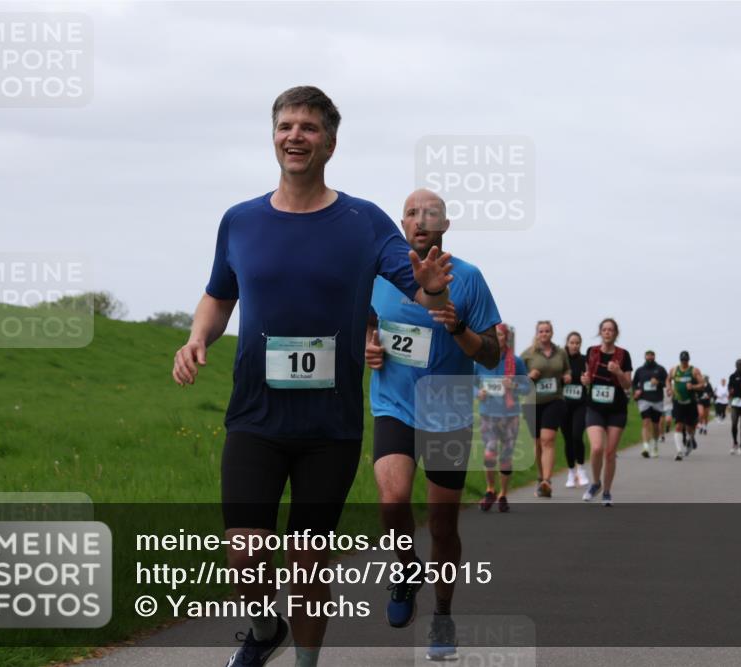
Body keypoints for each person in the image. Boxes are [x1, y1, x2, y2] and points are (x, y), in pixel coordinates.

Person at [171, 87, 454, 667]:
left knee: (307, 564)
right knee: (244, 555)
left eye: (308, 127)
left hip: (330, 426)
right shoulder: (240, 220)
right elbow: (219, 294)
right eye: (285, 126)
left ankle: (305, 662)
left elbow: (423, 292)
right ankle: (262, 627)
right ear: (274, 136)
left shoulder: (364, 221)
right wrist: (198, 335)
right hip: (255, 415)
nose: (294, 136)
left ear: (330, 141)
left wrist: (430, 283)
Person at [365, 189, 501, 660]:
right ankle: (405, 570)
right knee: (392, 498)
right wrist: (368, 342)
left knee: (443, 527)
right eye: (411, 212)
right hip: (394, 404)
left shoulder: (468, 278)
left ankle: (442, 616)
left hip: (448, 411)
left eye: (432, 214)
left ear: (445, 226)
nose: (421, 219)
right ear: (401, 224)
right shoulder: (379, 272)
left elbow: (492, 351)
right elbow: (357, 316)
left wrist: (458, 328)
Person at [475, 323, 530, 512]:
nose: (496, 337)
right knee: (490, 453)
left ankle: (503, 494)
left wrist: (513, 386)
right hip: (488, 414)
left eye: (499, 334)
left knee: (506, 457)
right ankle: (490, 489)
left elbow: (527, 387)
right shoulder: (480, 361)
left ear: (505, 338)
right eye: (493, 334)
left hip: (510, 415)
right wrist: (478, 392)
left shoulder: (516, 362)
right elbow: (470, 383)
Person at [579, 318, 633, 506]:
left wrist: (618, 372)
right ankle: (595, 483)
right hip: (595, 406)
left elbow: (627, 384)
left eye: (611, 330)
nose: (608, 332)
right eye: (604, 329)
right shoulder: (592, 352)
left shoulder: (623, 355)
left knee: (610, 452)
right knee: (596, 448)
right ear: (600, 332)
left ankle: (607, 491)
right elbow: (587, 378)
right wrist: (585, 380)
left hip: (617, 409)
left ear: (616, 333)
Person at [521, 321, 572, 498]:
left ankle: (547, 481)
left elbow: (567, 370)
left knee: (548, 439)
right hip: (532, 403)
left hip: (554, 400)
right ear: (537, 333)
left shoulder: (561, 353)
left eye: (547, 331)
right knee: (537, 443)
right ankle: (540, 477)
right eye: (541, 331)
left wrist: (567, 376)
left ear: (552, 333)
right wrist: (529, 376)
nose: (544, 333)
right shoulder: (528, 354)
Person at [562, 331, 591, 487]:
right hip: (563, 404)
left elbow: (590, 379)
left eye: (577, 343)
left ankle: (581, 468)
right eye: (572, 342)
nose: (574, 345)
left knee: (577, 435)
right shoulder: (561, 359)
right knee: (567, 439)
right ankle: (571, 472)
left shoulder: (584, 360)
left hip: (580, 403)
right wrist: (562, 378)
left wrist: (587, 380)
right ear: (567, 343)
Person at [667, 351, 705, 460]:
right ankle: (679, 452)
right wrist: (669, 388)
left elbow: (702, 385)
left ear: (689, 360)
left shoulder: (694, 370)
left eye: (686, 360)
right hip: (678, 402)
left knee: (690, 427)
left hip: (691, 403)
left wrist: (693, 386)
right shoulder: (674, 370)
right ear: (680, 360)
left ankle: (691, 438)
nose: (684, 362)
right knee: (678, 425)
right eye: (682, 360)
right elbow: (667, 380)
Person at [632, 349, 668, 459]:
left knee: (656, 425)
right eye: (647, 357)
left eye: (651, 357)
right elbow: (634, 383)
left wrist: (658, 383)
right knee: (646, 422)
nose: (649, 359)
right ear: (645, 357)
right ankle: (646, 447)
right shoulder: (640, 370)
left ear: (654, 357)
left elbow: (666, 383)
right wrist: (636, 390)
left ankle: (655, 445)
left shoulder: (660, 369)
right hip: (644, 399)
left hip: (657, 400)